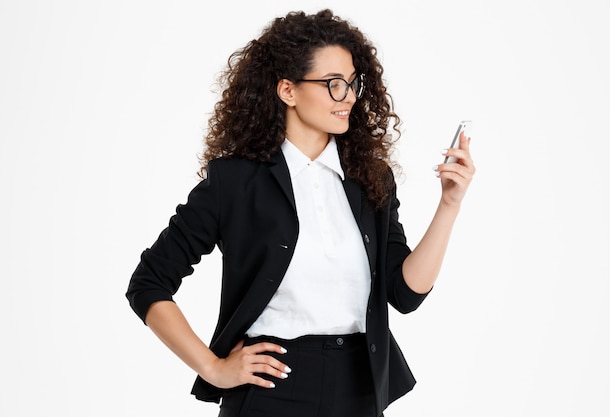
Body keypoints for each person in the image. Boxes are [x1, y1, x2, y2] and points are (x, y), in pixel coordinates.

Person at [126, 9, 474, 417]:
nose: (348, 97)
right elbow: (148, 283)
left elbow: (405, 294)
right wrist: (214, 368)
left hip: (360, 389)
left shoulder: (369, 178)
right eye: (333, 84)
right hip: (272, 388)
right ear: (288, 90)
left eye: (352, 83)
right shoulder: (235, 182)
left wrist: (449, 204)